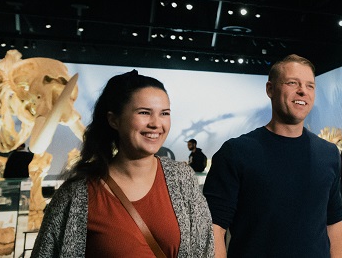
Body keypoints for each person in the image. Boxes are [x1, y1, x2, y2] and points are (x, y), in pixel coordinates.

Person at [32, 71, 215, 258]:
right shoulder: (77, 194)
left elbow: (206, 248)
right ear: (114, 120)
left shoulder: (182, 179)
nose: (156, 124)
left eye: (164, 114)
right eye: (144, 112)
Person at [203, 55, 342, 258]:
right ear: (270, 89)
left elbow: (333, 222)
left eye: (310, 85)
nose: (303, 91)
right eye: (292, 83)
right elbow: (214, 229)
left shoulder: (328, 154)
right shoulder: (235, 152)